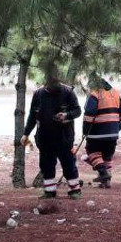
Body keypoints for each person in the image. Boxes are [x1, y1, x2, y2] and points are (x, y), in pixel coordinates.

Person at [22, 68, 84, 198]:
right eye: (50, 82)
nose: (52, 85)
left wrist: (66, 115)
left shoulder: (68, 92)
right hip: (44, 138)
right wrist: (26, 133)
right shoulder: (38, 94)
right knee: (46, 165)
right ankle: (49, 191)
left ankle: (75, 190)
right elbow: (32, 116)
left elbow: (77, 111)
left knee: (68, 164)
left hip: (64, 138)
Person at [80, 76, 121, 188]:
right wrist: (117, 127)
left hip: (97, 132)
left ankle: (103, 172)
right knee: (107, 156)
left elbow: (89, 114)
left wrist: (85, 131)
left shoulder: (95, 94)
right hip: (113, 133)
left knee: (92, 151)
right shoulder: (115, 93)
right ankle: (106, 182)